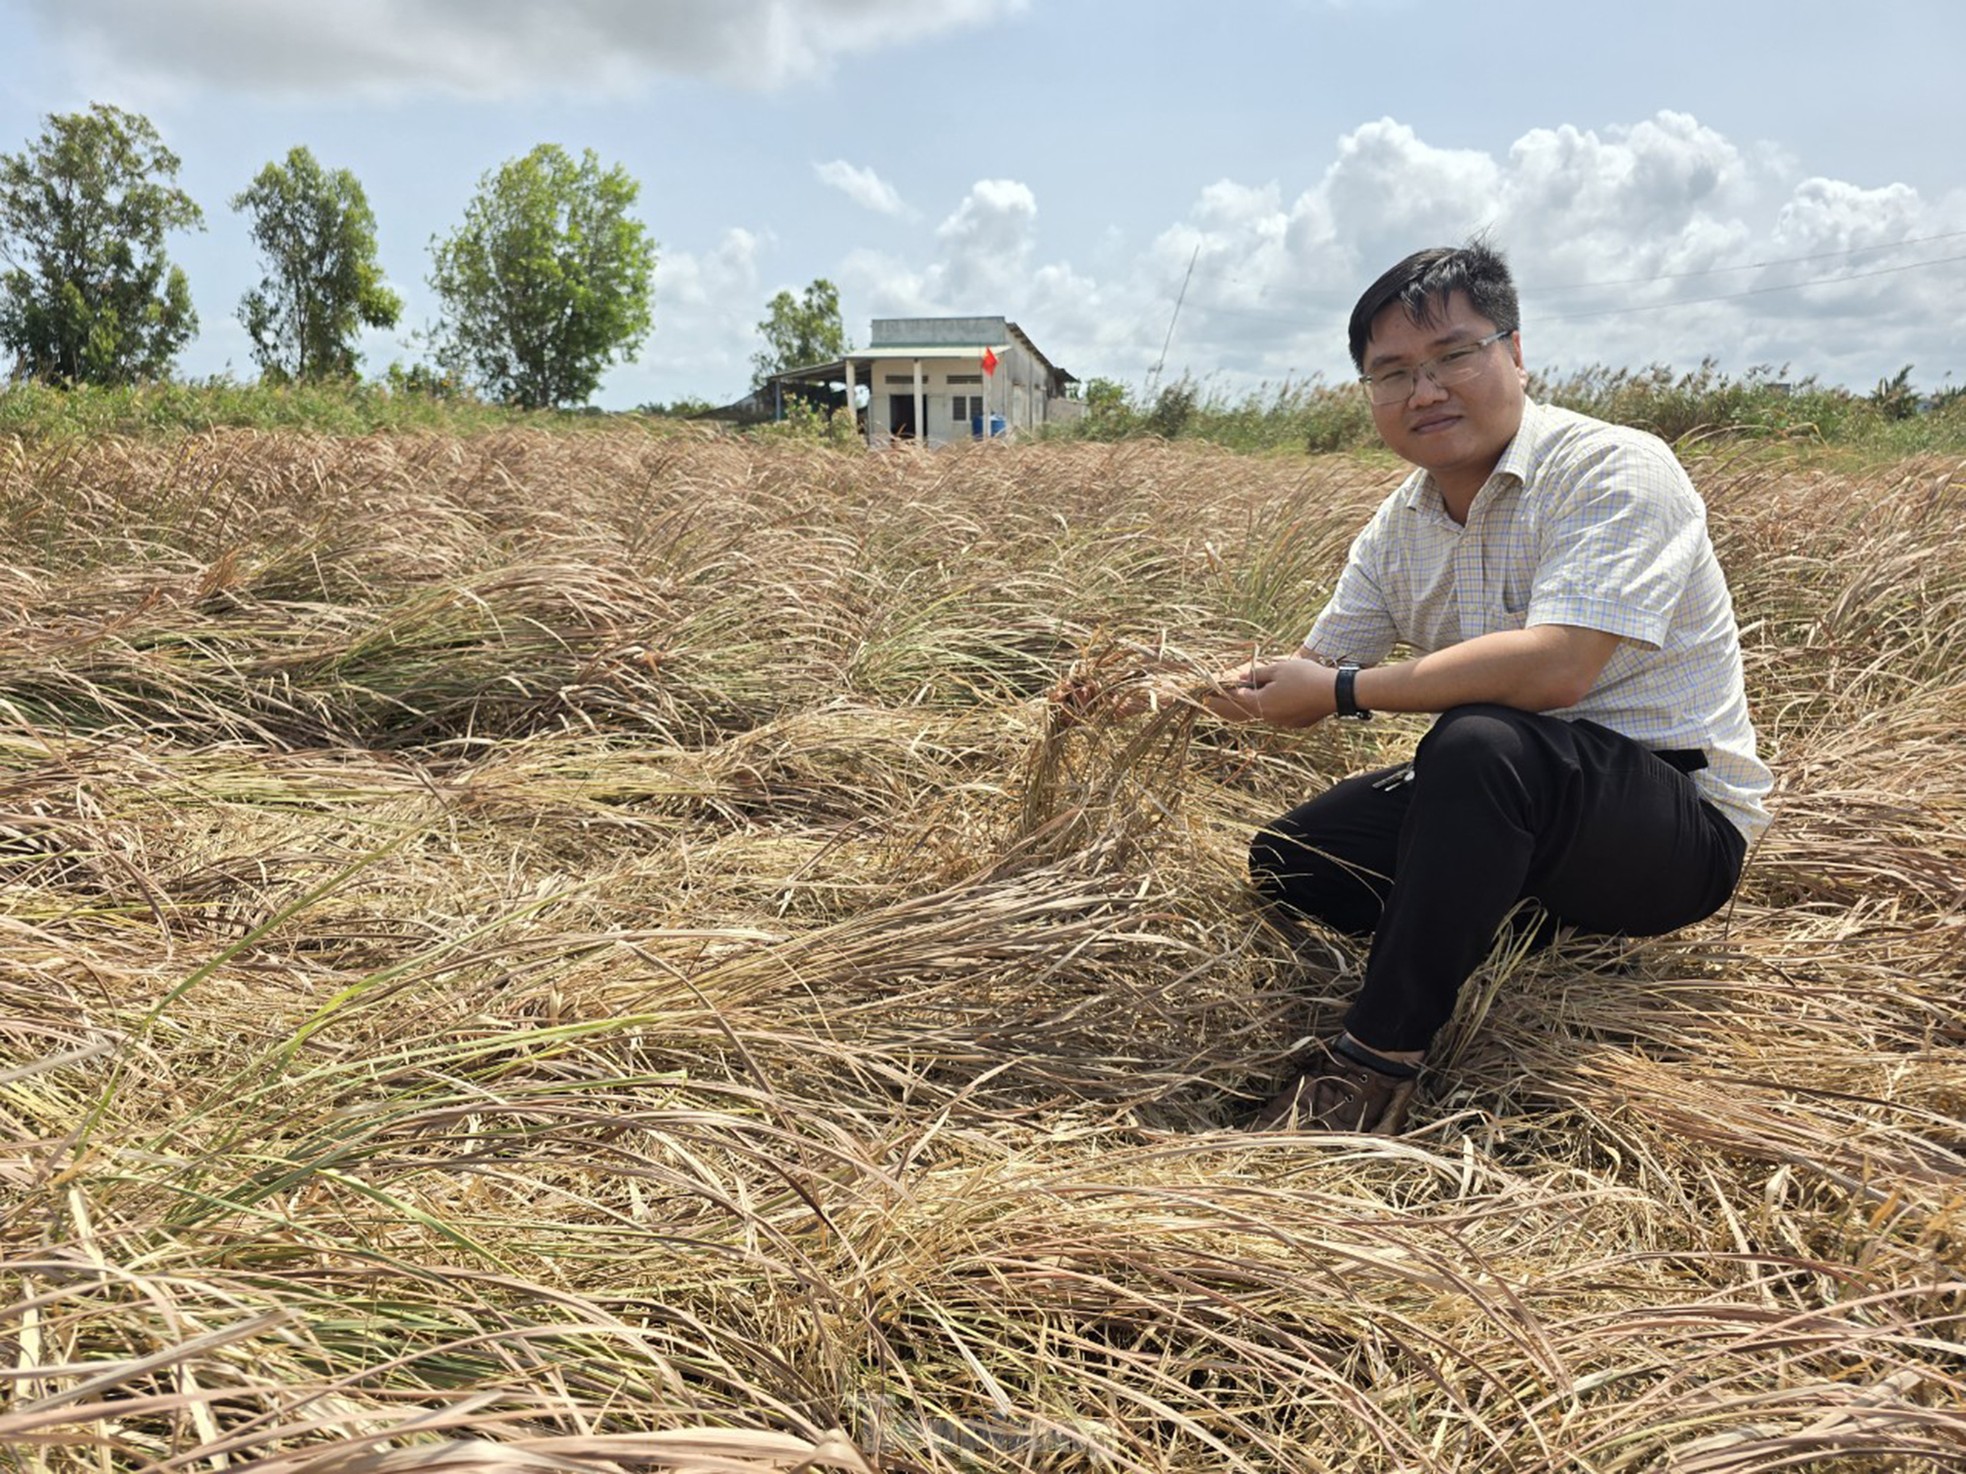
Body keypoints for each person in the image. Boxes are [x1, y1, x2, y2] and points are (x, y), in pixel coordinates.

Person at [1192, 240, 1772, 1134]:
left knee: (1478, 744)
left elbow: (1556, 667)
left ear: (1515, 352)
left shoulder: (1616, 468)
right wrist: (1158, 696)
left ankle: (1375, 1069)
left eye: (1453, 355)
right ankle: (1531, 927)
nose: (1425, 391)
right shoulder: (1400, 525)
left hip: (1673, 828)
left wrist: (1345, 691)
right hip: (1517, 801)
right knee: (1294, 858)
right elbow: (1304, 670)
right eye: (1392, 373)